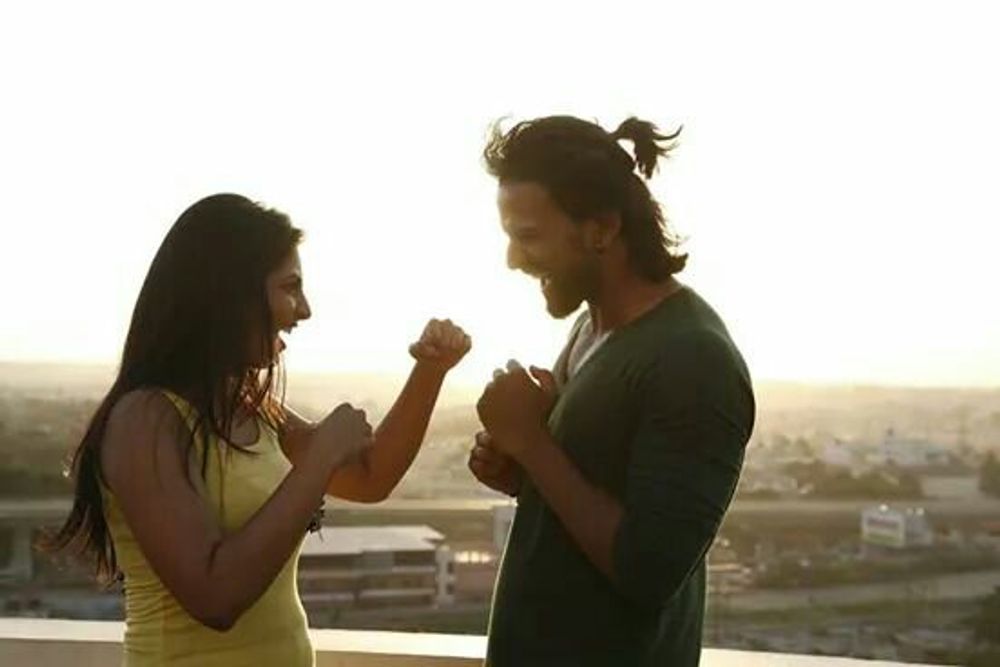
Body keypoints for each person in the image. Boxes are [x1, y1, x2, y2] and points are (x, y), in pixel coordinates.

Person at [47, 193, 471, 666]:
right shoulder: (144, 420)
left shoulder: (251, 406)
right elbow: (214, 596)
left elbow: (371, 478)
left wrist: (431, 371)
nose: (304, 310)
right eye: (290, 288)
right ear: (228, 293)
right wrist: (318, 461)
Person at [469, 116, 755, 666]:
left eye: (528, 236)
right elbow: (593, 496)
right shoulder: (591, 328)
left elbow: (648, 569)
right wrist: (523, 475)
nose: (512, 259)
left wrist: (532, 441)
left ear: (601, 228)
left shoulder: (693, 358)